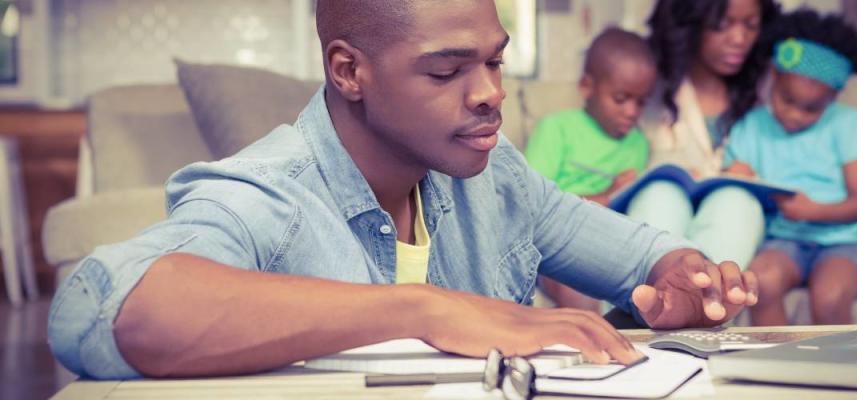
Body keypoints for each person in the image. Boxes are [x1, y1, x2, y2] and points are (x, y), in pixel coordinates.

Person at [47, 0, 759, 380]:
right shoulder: (273, 192)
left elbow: (640, 255)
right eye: (446, 72)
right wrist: (423, 310)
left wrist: (686, 280)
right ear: (349, 71)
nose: (490, 94)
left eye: (494, 61)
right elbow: (107, 309)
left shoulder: (494, 172)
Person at [723, 9, 857, 325]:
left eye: (811, 109)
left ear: (833, 96)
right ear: (773, 75)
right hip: (783, 239)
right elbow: (735, 187)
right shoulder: (751, 125)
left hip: (845, 240)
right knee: (763, 281)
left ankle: (837, 375)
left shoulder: (848, 122)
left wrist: (813, 211)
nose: (795, 115)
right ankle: (776, 368)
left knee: (829, 295)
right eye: (787, 99)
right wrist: (737, 177)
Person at [624, 0, 781, 271]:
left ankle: (704, 309)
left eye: (751, 25)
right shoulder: (647, 82)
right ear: (689, 23)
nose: (739, 39)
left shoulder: (776, 90)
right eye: (721, 25)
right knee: (660, 196)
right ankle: (644, 308)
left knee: (738, 202)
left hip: (734, 214)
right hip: (661, 205)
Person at [523, 27, 657, 312]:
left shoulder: (638, 143)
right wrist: (607, 196)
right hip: (554, 245)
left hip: (609, 242)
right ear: (587, 87)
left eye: (641, 102)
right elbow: (531, 206)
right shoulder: (557, 128)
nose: (632, 112)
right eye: (621, 99)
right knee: (578, 291)